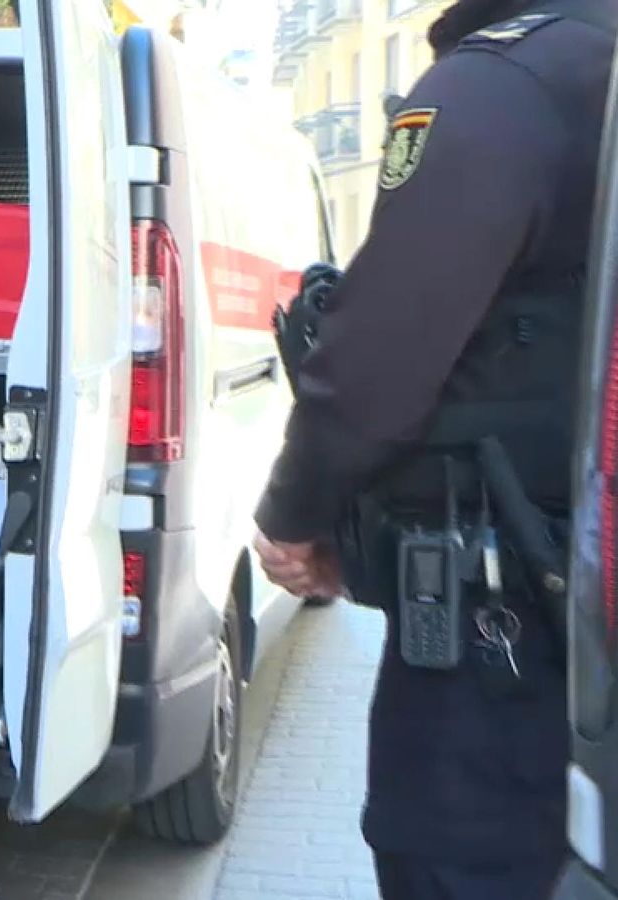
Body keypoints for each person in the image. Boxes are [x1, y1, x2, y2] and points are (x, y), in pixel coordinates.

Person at [252, 0, 617, 897]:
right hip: (571, 598)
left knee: (455, 862)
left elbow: (376, 357)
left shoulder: (501, 84)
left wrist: (296, 517)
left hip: (504, 634)